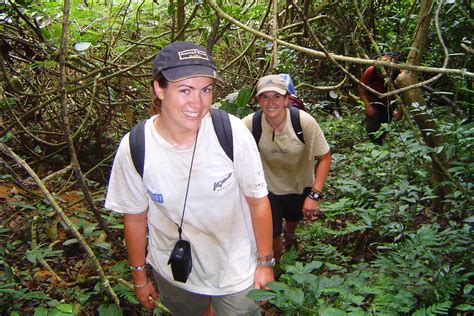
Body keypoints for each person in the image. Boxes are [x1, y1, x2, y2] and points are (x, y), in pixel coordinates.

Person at [105, 41, 274, 315]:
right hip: (174, 271)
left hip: (235, 268)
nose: (197, 103)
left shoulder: (230, 132)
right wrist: (139, 276)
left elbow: (258, 201)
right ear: (159, 89)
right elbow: (135, 217)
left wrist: (265, 263)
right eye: (185, 90)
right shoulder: (136, 146)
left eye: (205, 90)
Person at [242, 74, 331, 261]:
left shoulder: (303, 122)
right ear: (258, 100)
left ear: (286, 99)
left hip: (299, 184)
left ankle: (290, 234)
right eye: (264, 97)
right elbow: (228, 140)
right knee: (272, 238)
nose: (270, 102)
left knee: (292, 219)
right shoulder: (251, 123)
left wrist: (314, 195)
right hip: (267, 190)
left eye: (276, 96)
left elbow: (324, 157)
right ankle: (276, 270)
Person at [358, 52, 402, 145]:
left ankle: (381, 143)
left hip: (389, 102)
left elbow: (405, 93)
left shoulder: (398, 73)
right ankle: (374, 144)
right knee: (372, 127)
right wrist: (368, 106)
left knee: (385, 125)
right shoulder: (371, 70)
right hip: (373, 100)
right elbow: (361, 88)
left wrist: (400, 111)